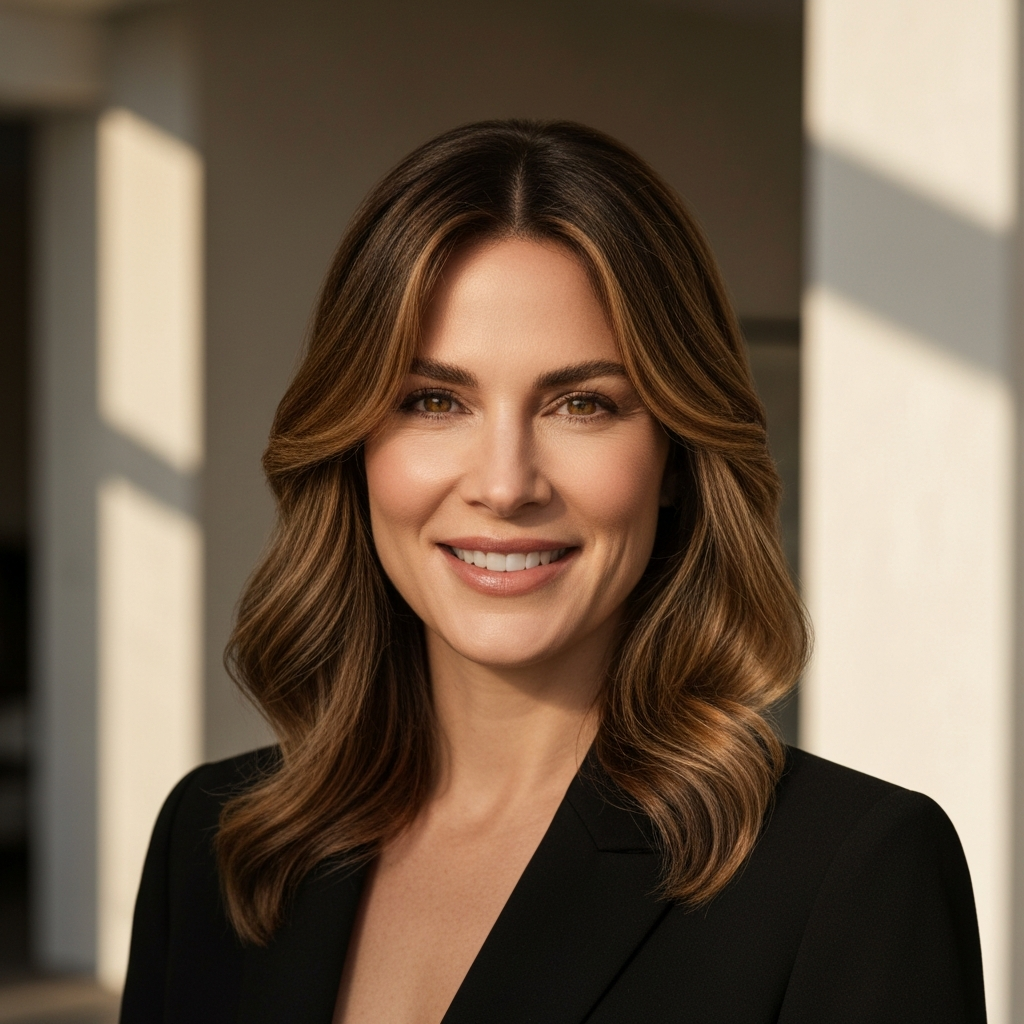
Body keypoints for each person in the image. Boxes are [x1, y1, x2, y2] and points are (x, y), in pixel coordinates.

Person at [119, 120, 986, 1024]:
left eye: (582, 404)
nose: (504, 486)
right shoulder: (217, 843)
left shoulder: (850, 875)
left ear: (677, 457)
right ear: (353, 445)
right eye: (433, 400)